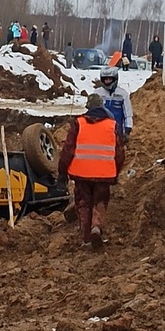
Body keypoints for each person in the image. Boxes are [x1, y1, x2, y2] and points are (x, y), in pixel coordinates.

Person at [58, 93, 124, 249]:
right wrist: (116, 172)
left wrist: (62, 173)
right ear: (102, 106)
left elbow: (68, 150)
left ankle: (86, 239)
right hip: (104, 174)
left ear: (88, 107)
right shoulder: (111, 125)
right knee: (99, 201)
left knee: (83, 204)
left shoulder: (78, 123)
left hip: (81, 174)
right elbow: (119, 152)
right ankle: (96, 227)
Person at [94, 65, 133, 140]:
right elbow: (92, 112)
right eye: (105, 79)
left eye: (109, 79)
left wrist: (127, 130)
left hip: (117, 132)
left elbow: (128, 114)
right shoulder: (97, 93)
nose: (107, 81)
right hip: (100, 131)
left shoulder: (122, 94)